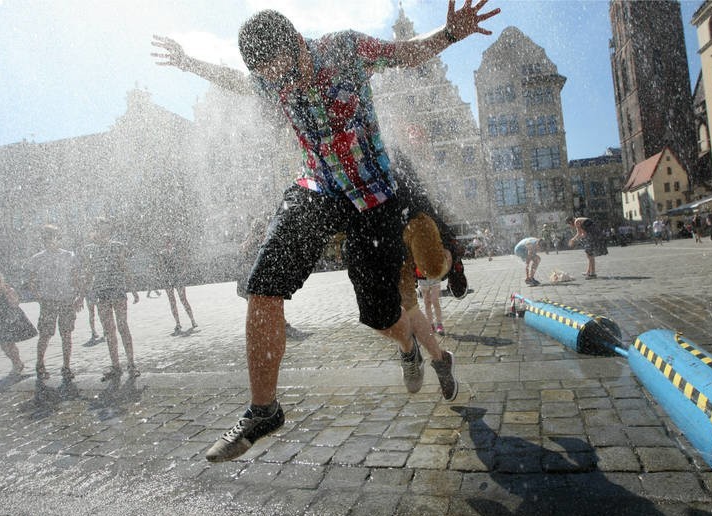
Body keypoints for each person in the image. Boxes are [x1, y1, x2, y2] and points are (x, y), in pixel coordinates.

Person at [152, 2, 500, 463]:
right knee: (262, 284)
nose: (278, 84)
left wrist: (449, 35)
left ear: (296, 44)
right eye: (267, 77)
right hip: (317, 187)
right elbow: (235, 82)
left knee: (380, 316)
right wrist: (187, 62)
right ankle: (263, 410)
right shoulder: (269, 78)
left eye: (279, 72)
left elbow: (405, 52)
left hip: (374, 198)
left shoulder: (345, 48)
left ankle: (410, 346)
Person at [81, 218, 140, 381]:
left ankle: (131, 364)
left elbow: (124, 267)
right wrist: (82, 296)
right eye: (102, 230)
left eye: (108, 230)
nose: (105, 234)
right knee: (109, 330)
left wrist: (133, 289)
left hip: (118, 290)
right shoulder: (89, 250)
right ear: (96, 231)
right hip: (102, 293)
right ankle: (116, 366)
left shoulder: (117, 246)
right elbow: (88, 273)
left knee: (123, 326)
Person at [24, 225, 83, 383]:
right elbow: (31, 280)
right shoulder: (37, 258)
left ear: (58, 238)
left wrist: (79, 297)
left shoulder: (69, 256)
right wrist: (39, 296)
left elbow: (77, 278)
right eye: (46, 238)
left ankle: (66, 366)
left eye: (52, 237)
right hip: (48, 301)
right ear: (43, 240)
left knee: (66, 334)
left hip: (66, 300)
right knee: (45, 334)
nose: (49, 241)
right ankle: (40, 364)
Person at [156, 235, 197, 336]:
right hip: (169, 278)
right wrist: (162, 275)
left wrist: (183, 272)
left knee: (183, 299)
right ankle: (178, 323)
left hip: (176, 277)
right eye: (166, 241)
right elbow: (160, 267)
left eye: (168, 240)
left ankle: (192, 319)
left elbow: (183, 262)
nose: (167, 243)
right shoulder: (162, 253)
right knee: (173, 301)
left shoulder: (176, 251)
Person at [0, 271, 37, 377]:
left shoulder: (7, 290)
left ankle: (17, 364)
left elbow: (15, 303)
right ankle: (17, 363)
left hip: (9, 318)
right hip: (1, 320)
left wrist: (8, 294)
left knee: (8, 343)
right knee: (4, 345)